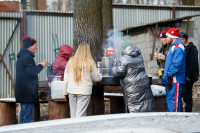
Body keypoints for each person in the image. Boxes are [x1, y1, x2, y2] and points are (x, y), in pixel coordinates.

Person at [112, 35, 155, 113]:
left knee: (134, 109)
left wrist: (114, 69)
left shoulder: (124, 58)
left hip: (132, 88)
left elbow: (120, 73)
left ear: (123, 48)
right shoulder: (139, 55)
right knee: (142, 107)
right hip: (143, 84)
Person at [63, 43, 102, 118]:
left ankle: (74, 129)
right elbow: (96, 78)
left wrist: (65, 92)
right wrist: (101, 75)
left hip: (71, 91)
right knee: (80, 115)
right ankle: (79, 128)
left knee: (74, 115)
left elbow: (66, 79)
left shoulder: (71, 61)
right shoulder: (90, 62)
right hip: (84, 91)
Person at [15, 36, 47, 123]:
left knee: (23, 116)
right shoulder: (27, 57)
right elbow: (32, 72)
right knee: (27, 119)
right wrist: (41, 66)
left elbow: (28, 70)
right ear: (30, 46)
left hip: (23, 91)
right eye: (35, 45)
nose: (36, 47)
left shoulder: (23, 56)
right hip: (27, 92)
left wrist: (37, 65)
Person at [162, 28, 185, 112]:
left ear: (172, 37)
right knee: (172, 102)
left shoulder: (178, 47)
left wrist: (169, 75)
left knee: (173, 104)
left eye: (167, 37)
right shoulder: (173, 47)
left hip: (174, 80)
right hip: (171, 79)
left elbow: (177, 64)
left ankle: (174, 123)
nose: (166, 38)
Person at [179, 32, 199, 112]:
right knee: (182, 94)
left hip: (188, 77)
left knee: (187, 96)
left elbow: (193, 63)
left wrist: (189, 76)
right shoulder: (183, 48)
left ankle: (188, 112)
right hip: (183, 76)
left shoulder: (192, 49)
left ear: (184, 40)